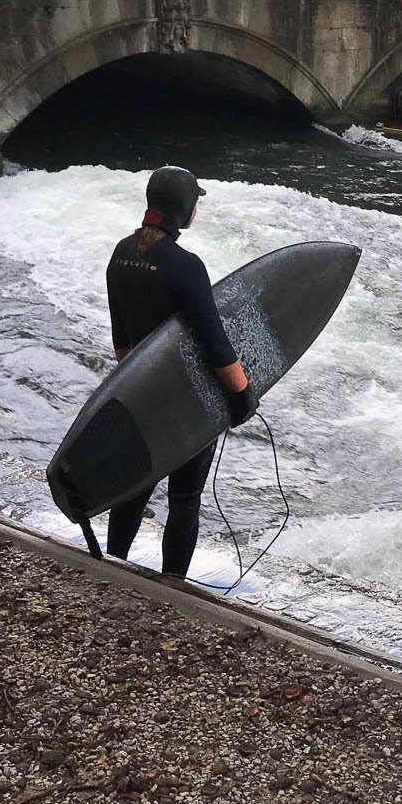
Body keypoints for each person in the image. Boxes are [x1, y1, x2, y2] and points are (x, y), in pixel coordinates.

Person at [104, 167, 253, 579]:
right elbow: (216, 345)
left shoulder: (120, 253)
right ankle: (172, 586)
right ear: (185, 209)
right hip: (187, 405)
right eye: (196, 202)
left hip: (139, 395)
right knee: (185, 499)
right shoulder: (185, 265)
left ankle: (111, 566)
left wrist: (135, 388)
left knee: (133, 488)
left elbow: (122, 341)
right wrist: (242, 395)